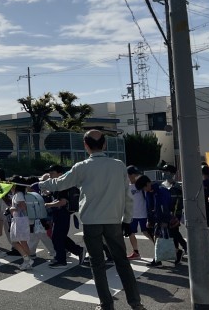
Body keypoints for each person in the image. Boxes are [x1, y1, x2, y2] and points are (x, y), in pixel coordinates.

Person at [37, 130, 144, 310]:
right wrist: (127, 219)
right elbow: (128, 196)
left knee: (97, 264)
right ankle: (136, 304)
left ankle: (106, 305)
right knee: (122, 262)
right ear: (105, 144)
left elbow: (60, 183)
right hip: (114, 220)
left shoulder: (82, 167)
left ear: (86, 146)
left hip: (91, 221)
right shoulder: (118, 166)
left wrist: (40, 183)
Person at [43, 165, 85, 268]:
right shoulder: (59, 185)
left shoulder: (63, 185)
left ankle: (61, 260)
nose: (50, 175)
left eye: (52, 173)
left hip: (63, 213)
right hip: (60, 214)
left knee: (57, 237)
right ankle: (78, 251)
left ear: (60, 174)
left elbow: (63, 202)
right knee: (59, 237)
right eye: (49, 173)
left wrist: (48, 205)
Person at [135, 174, 172, 267]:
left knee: (159, 238)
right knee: (159, 239)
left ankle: (158, 260)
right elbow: (149, 207)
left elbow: (165, 206)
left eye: (144, 187)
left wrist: (165, 220)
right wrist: (149, 220)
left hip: (163, 219)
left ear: (148, 183)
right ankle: (163, 257)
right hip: (156, 219)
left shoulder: (161, 191)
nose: (144, 190)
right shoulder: (149, 193)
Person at [161, 163, 187, 263]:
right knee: (172, 232)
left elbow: (181, 201)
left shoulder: (177, 186)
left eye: (166, 172)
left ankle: (183, 247)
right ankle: (178, 250)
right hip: (166, 212)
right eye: (164, 172)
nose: (164, 174)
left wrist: (177, 211)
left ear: (172, 173)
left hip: (176, 212)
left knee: (173, 231)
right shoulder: (163, 185)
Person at [126, 165, 153, 260]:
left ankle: (159, 247)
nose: (136, 176)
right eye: (134, 174)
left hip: (143, 213)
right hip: (132, 214)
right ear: (129, 175)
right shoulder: (126, 186)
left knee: (146, 232)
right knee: (131, 233)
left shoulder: (142, 185)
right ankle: (136, 252)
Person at [9, 176, 34, 271]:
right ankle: (27, 260)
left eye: (11, 184)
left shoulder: (18, 194)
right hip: (19, 219)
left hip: (20, 220)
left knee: (18, 241)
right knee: (18, 241)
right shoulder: (18, 194)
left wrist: (12, 208)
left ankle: (27, 260)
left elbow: (23, 207)